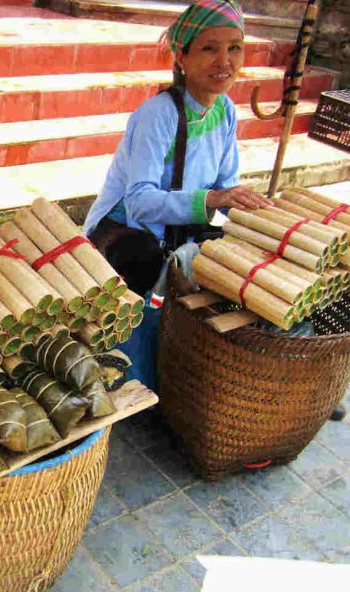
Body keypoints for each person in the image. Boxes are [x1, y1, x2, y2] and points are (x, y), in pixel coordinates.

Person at [83, 0, 272, 391]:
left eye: (234, 47)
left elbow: (226, 182)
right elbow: (140, 202)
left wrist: (256, 219)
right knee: (147, 265)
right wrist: (213, 201)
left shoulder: (225, 110)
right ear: (182, 57)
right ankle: (135, 376)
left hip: (181, 227)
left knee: (236, 262)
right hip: (126, 228)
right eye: (209, 48)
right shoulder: (158, 114)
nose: (224, 61)